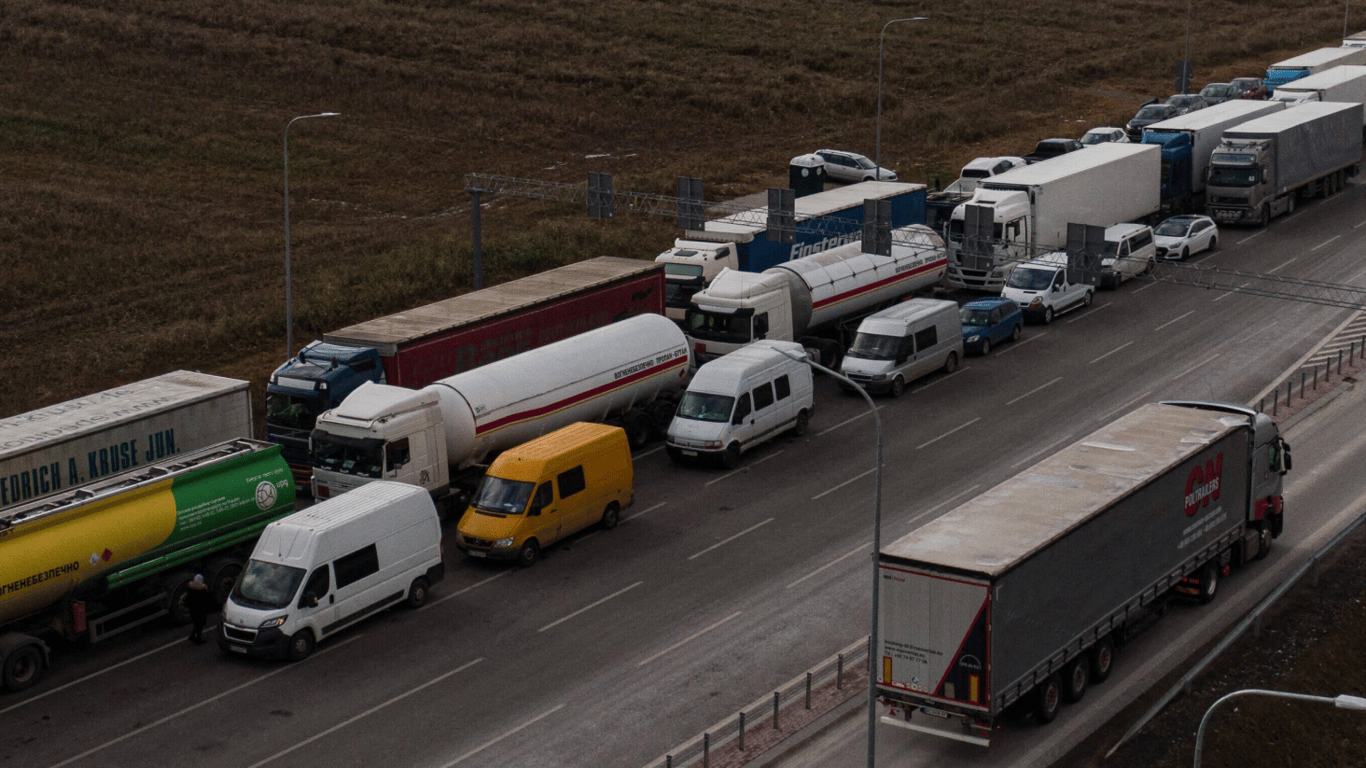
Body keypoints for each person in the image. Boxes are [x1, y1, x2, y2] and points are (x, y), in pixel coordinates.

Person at [186, 574, 213, 645]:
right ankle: (198, 639)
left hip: (193, 610)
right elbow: (206, 601)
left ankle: (192, 636)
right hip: (201, 611)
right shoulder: (202, 591)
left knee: (196, 624)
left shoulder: (191, 590)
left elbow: (187, 600)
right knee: (200, 625)